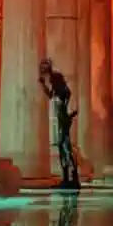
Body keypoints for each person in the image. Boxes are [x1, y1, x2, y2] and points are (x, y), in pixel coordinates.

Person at [38, 57, 79, 189]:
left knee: (65, 146)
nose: (42, 69)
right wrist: (43, 85)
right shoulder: (52, 80)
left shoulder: (56, 77)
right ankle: (67, 177)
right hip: (59, 115)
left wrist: (66, 110)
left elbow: (66, 93)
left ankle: (72, 177)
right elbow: (51, 95)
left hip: (62, 116)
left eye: (44, 66)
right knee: (62, 147)